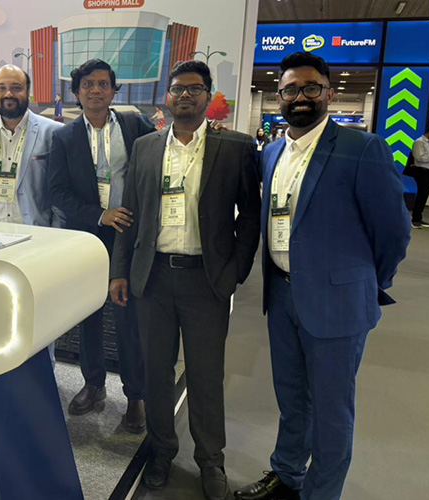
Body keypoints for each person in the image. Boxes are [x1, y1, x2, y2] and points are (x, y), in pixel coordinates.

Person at [234, 52, 410, 500]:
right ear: (279, 97)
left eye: (311, 88)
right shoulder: (272, 152)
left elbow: (393, 231)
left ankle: (321, 494)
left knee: (332, 410)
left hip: (337, 302)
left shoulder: (361, 148)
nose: (300, 97)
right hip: (282, 295)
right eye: (290, 89)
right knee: (292, 398)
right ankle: (286, 474)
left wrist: (365, 283)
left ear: (328, 93)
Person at [109, 60, 261, 499]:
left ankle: (211, 461)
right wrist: (120, 270)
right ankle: (161, 451)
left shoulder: (235, 147)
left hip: (206, 281)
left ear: (208, 96)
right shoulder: (146, 147)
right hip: (153, 278)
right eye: (178, 89)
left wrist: (234, 271)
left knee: (206, 375)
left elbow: (250, 216)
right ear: (167, 97)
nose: (186, 96)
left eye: (195, 89)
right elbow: (129, 215)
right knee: (156, 372)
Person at [49, 59, 155, 433]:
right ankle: (93, 384)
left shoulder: (135, 125)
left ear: (113, 90)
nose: (96, 90)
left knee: (128, 317)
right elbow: (57, 192)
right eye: (88, 84)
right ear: (77, 92)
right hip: (87, 237)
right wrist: (99, 215)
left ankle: (135, 395)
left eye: (103, 84)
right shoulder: (64, 138)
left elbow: (162, 155)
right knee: (89, 313)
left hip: (129, 236)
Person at [0, 64, 64, 227]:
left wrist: (56, 232)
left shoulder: (53, 133)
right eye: (1, 88)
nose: (8, 94)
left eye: (16, 88)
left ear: (28, 92)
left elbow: (60, 192)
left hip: (35, 231)